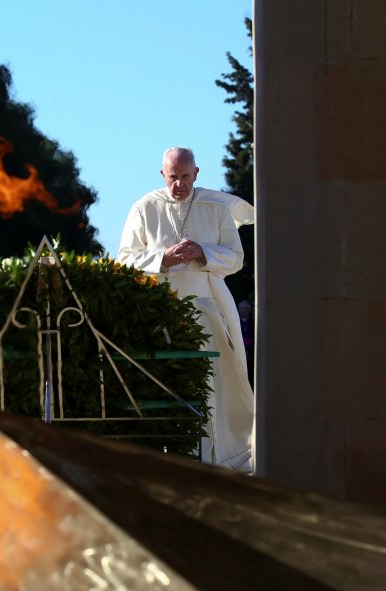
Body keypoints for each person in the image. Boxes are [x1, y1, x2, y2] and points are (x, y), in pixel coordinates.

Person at [117, 147, 255, 472]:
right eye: (173, 177)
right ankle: (168, 455)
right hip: (158, 310)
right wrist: (162, 259)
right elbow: (123, 259)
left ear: (196, 173)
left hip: (208, 307)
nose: (178, 184)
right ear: (162, 175)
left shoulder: (216, 208)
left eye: (184, 177)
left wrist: (203, 253)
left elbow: (236, 259)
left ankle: (216, 457)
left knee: (213, 383)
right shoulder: (143, 208)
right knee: (165, 381)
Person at [237, 299, 255, 385]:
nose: (244, 310)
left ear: (249, 309)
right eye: (241, 308)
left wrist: (249, 351)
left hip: (253, 354)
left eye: (246, 308)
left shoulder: (254, 322)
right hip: (239, 352)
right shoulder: (235, 322)